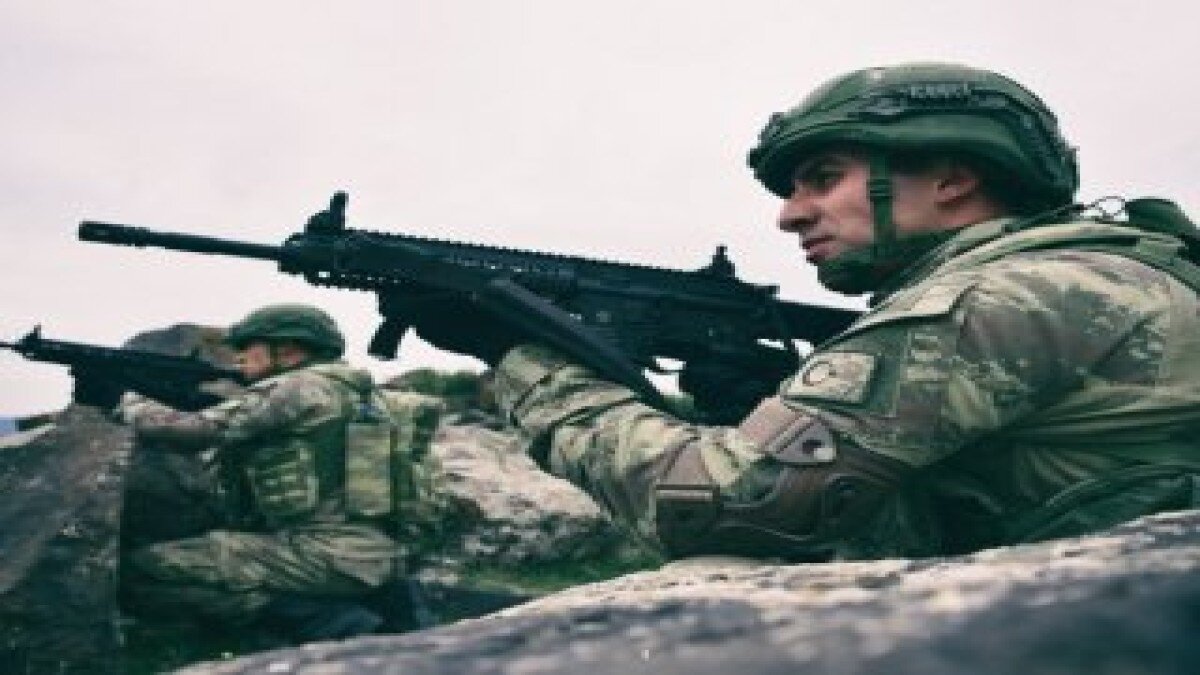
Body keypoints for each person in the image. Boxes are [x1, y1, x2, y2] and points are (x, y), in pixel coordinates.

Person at [413, 62, 1200, 561]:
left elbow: (721, 507)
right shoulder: (1106, 272)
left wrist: (527, 364)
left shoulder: (993, 299)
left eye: (822, 178)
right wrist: (759, 402)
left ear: (953, 178)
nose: (790, 215)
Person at [119, 304, 418, 641]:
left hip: (319, 552)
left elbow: (192, 430)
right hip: (374, 553)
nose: (239, 357)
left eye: (249, 346)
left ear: (288, 351)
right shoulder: (362, 393)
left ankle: (331, 623)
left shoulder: (299, 387)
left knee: (142, 569)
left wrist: (128, 403)